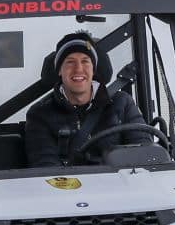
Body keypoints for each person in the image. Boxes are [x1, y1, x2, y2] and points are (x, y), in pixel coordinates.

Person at [24, 31, 148, 167]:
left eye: (85, 61)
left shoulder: (122, 103)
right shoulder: (40, 114)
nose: (78, 69)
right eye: (70, 62)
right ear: (59, 70)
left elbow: (145, 155)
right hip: (66, 187)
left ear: (93, 69)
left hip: (120, 186)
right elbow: (45, 168)